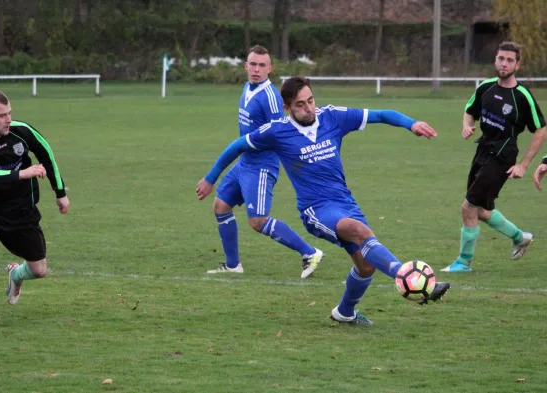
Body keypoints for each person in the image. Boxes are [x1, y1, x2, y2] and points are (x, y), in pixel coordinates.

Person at [196, 76, 450, 326]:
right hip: (315, 210)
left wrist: (411, 123)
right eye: (300, 104)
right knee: (360, 232)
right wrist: (210, 178)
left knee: (366, 265)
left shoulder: (332, 117)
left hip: (345, 203)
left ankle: (344, 312)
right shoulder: (277, 132)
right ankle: (408, 277)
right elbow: (237, 146)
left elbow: (381, 114)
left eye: (311, 100)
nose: (309, 108)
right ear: (287, 108)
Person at [206, 45, 323, 278]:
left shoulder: (269, 97)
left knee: (258, 221)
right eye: (253, 64)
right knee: (221, 206)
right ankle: (233, 265)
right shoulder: (247, 88)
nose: (256, 69)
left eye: (262, 65)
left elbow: (281, 131)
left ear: (270, 69)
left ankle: (310, 252)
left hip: (261, 167)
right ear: (245, 65)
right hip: (244, 163)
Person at [0, 90, 70, 324]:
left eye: (10, 113)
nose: (8, 119)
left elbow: (46, 155)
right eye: (1, 115)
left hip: (21, 211)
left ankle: (15, 274)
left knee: (39, 271)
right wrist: (20, 174)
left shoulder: (22, 131)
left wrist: (60, 193)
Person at [442, 42, 547, 273]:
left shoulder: (522, 96)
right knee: (480, 210)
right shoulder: (486, 87)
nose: (504, 63)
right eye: (501, 58)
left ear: (517, 64)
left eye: (510, 60)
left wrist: (524, 165)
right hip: (482, 150)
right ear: (495, 60)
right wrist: (467, 127)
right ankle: (520, 237)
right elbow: (470, 111)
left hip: (503, 155)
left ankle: (463, 262)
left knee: (468, 207)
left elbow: (541, 129)